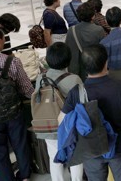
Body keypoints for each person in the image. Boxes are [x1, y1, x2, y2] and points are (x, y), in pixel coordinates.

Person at [61, 45, 121, 181]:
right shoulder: (120, 86)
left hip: (91, 148)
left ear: (84, 66)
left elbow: (61, 119)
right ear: (106, 62)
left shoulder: (77, 91)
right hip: (118, 145)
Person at [0, 25, 34, 181]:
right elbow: (27, 89)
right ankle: (24, 176)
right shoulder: (12, 61)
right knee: (21, 145)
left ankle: (5, 178)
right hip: (14, 113)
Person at [33, 42, 84, 181]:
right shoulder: (74, 79)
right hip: (68, 126)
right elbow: (82, 103)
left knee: (53, 156)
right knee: (75, 156)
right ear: (68, 59)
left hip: (48, 124)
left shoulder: (40, 79)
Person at [65, 2, 106, 80]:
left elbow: (68, 50)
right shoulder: (98, 30)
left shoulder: (71, 30)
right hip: (94, 68)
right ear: (93, 16)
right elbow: (103, 50)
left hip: (77, 70)